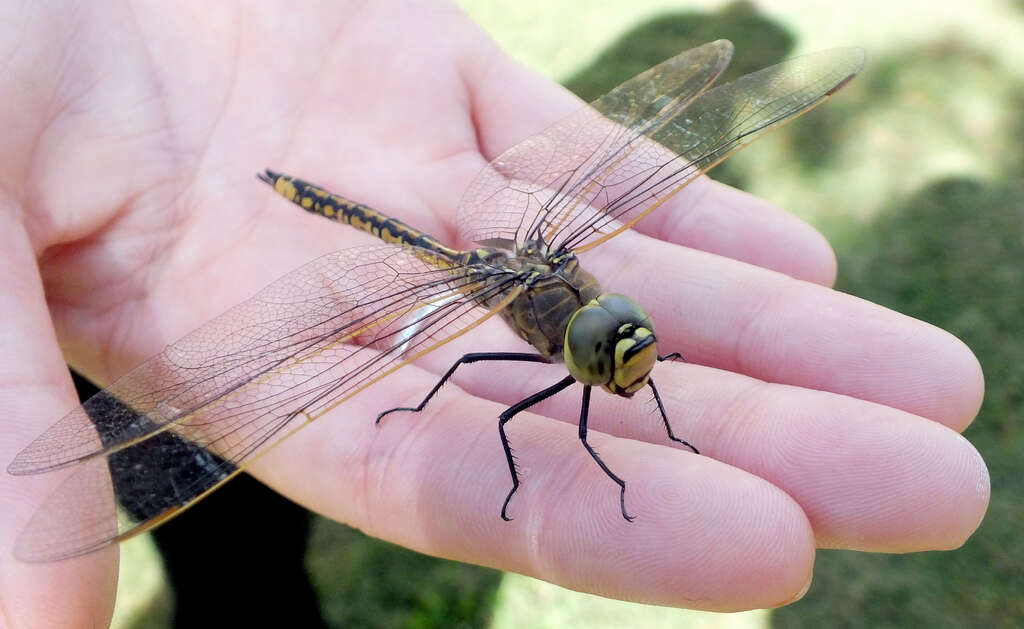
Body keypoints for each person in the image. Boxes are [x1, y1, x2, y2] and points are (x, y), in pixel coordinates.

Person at [0, 1, 989, 626]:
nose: (630, 355)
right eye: (619, 351)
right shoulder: (557, 332)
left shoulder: (600, 320)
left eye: (623, 344)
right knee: (489, 409)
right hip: (422, 255)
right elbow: (521, 409)